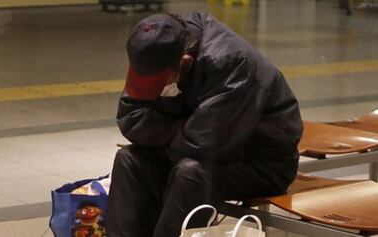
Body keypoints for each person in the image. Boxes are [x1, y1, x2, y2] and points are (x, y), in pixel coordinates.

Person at [106, 12, 303, 237]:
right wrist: (189, 127)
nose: (157, 89)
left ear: (185, 61)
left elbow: (207, 145)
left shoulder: (232, 63)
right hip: (193, 152)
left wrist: (180, 132)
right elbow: (130, 119)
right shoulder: (154, 49)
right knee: (129, 160)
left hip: (261, 163)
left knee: (190, 173)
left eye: (162, 82)